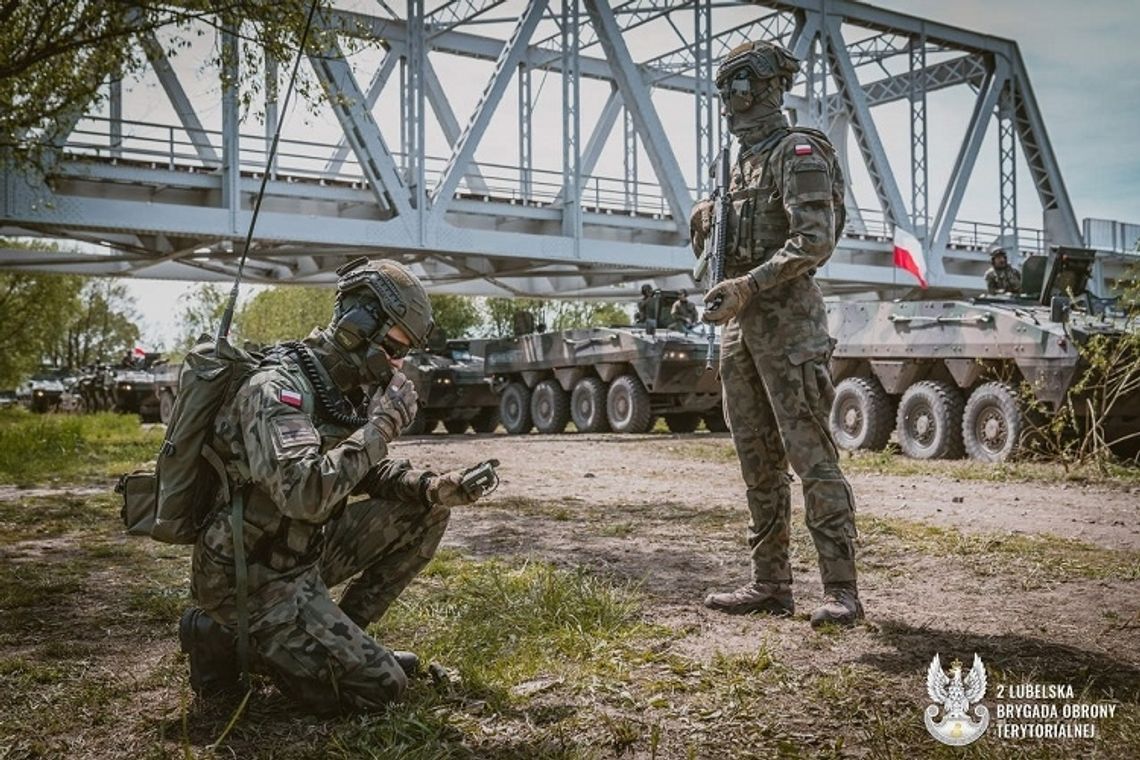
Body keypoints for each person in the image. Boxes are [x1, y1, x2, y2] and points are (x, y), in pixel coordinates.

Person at [179, 258, 489, 714]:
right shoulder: (277, 388)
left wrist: (430, 487)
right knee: (381, 689)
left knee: (427, 514)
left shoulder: (338, 387)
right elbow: (304, 492)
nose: (398, 364)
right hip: (251, 577)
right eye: (393, 347)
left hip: (301, 556)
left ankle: (338, 636)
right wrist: (381, 426)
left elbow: (357, 469)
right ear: (356, 325)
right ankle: (221, 634)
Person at [690, 41, 863, 628]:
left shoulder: (799, 151)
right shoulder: (733, 166)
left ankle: (842, 590)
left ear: (760, 89)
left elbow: (813, 241)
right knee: (756, 463)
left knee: (812, 457)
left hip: (789, 331)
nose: (728, 104)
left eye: (736, 89)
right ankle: (771, 583)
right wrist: (704, 231)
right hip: (738, 334)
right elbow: (716, 259)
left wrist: (750, 285)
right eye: (724, 92)